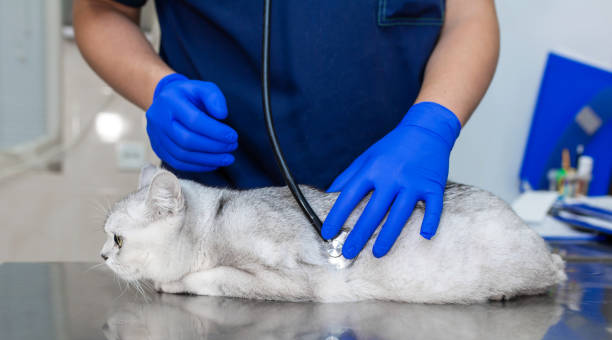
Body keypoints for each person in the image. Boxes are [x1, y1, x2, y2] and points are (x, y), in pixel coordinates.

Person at [74, 0, 499, 259]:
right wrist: (156, 87)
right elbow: (99, 9)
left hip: (384, 218)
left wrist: (432, 125)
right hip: (208, 238)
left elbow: (469, 14)